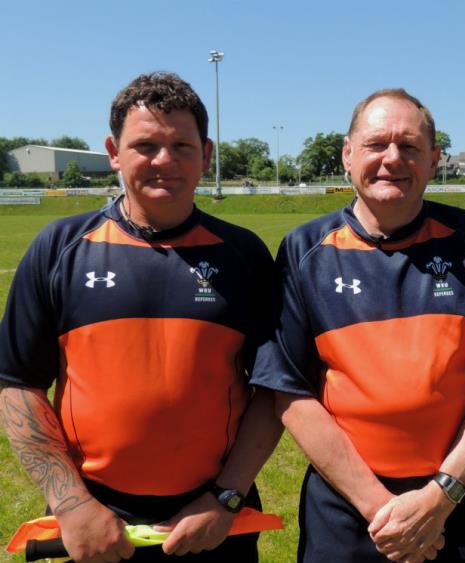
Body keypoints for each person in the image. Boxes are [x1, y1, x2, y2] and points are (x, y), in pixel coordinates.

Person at [0, 72, 282, 562]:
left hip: (211, 517)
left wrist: (225, 498)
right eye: (145, 145)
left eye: (181, 145)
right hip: (93, 517)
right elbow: (17, 385)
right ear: (113, 151)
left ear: (207, 153)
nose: (164, 161)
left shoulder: (244, 256)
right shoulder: (59, 248)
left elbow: (274, 389)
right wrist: (72, 506)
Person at [252, 88, 465, 562]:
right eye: (376, 144)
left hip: (462, 498)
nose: (392, 158)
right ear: (347, 155)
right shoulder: (304, 251)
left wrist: (440, 496)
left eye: (409, 146)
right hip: (347, 510)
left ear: (434, 159)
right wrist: (382, 508)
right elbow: (290, 393)